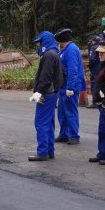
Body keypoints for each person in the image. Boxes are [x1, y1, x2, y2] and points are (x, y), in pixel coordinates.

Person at [28, 31, 64, 161]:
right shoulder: (55, 53)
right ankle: (49, 151)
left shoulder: (49, 55)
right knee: (48, 123)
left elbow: (45, 76)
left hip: (46, 94)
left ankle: (42, 152)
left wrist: (39, 92)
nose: (39, 46)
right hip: (52, 93)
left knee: (41, 122)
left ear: (45, 42)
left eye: (40, 43)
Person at [54, 28, 86, 145]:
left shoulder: (71, 50)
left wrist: (70, 87)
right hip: (64, 86)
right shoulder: (65, 50)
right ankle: (64, 134)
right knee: (62, 112)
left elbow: (73, 70)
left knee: (71, 112)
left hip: (70, 86)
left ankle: (73, 135)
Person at [86, 34, 103, 108]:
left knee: (94, 85)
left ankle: (95, 101)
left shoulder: (93, 48)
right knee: (101, 85)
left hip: (95, 69)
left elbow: (92, 59)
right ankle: (101, 100)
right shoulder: (102, 47)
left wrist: (90, 66)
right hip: (102, 69)